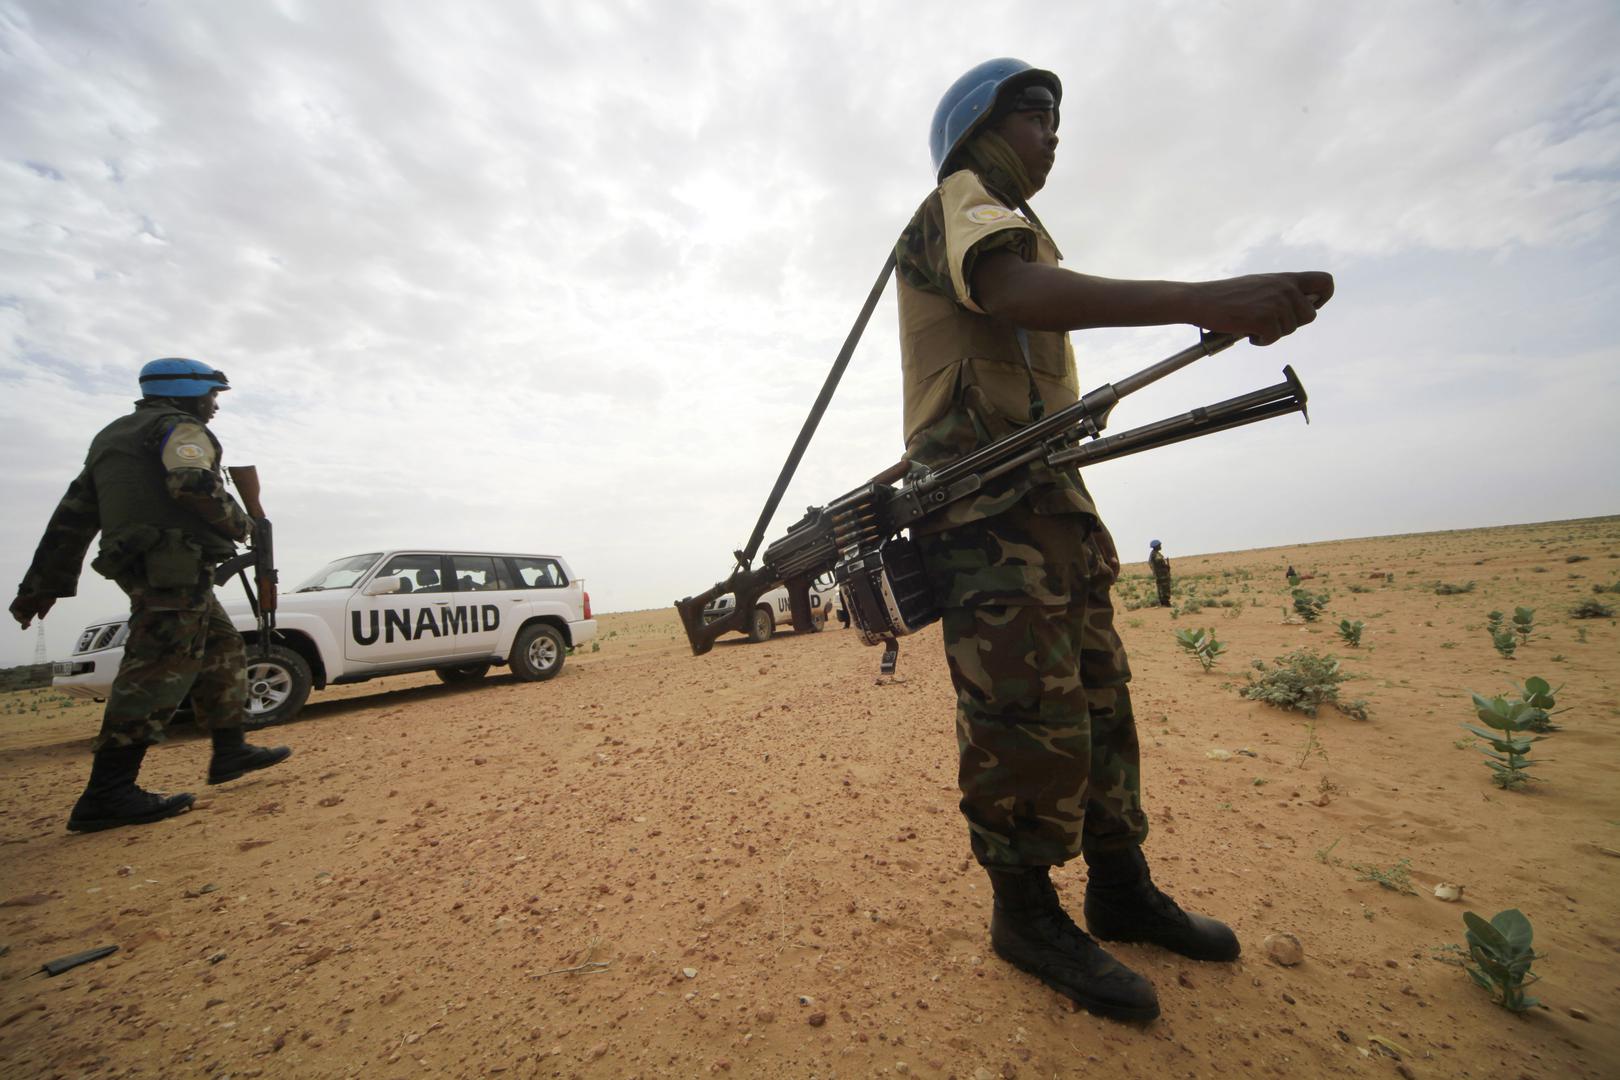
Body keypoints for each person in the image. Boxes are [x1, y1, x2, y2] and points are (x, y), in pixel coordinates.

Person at [896, 59, 1333, 1021]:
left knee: (1098, 701)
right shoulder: (959, 204)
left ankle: (1121, 887)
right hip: (987, 518)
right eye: (1034, 112)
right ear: (978, 129)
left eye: (1058, 115)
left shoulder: (1022, 228)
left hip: (1051, 502)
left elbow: (1024, 332)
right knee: (1022, 715)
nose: (1054, 131)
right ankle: (1023, 914)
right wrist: (1204, 297)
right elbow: (1014, 293)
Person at [9, 358, 292, 833]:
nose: (215, 406)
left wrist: (41, 584)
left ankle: (230, 749)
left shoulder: (113, 437)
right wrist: (241, 524)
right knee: (157, 665)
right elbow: (193, 485)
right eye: (212, 395)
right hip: (171, 565)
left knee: (221, 645)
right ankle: (108, 793)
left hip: (149, 562)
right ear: (187, 392)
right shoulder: (179, 428)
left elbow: (74, 514)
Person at [1149, 540, 1173, 606]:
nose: (1160, 546)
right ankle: (1165, 602)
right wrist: (1166, 566)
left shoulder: (1154, 554)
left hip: (1160, 574)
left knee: (1161, 588)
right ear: (1156, 546)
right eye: (1159, 545)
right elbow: (1159, 562)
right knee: (1164, 587)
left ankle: (1163, 602)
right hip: (1161, 575)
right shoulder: (1155, 554)